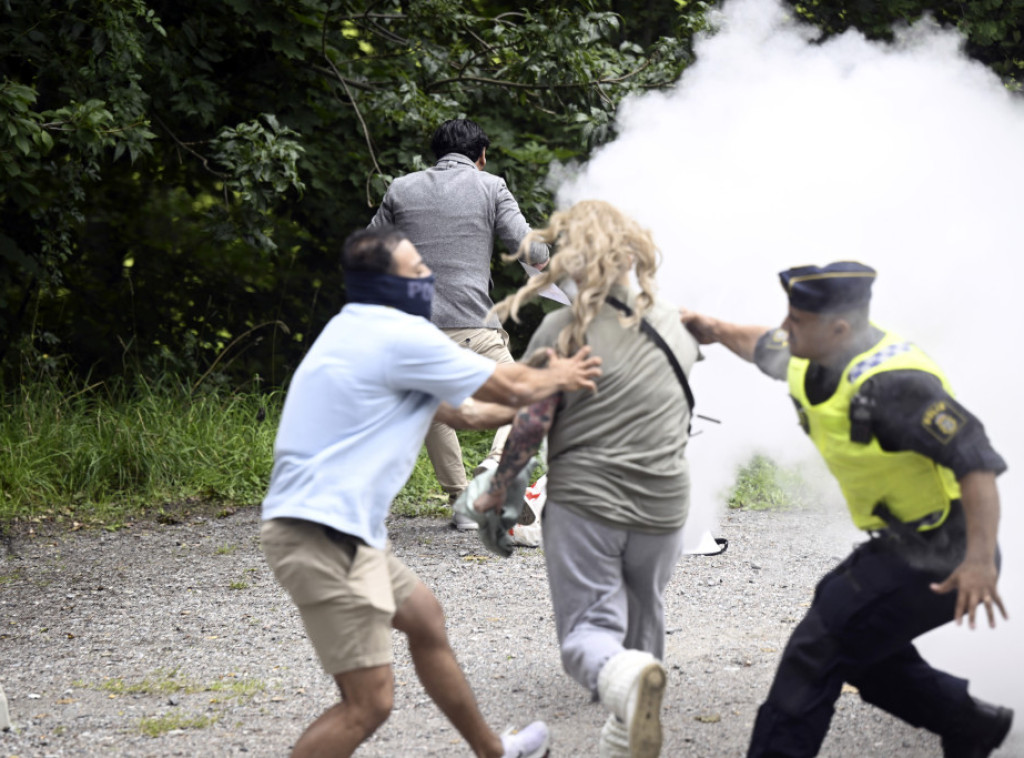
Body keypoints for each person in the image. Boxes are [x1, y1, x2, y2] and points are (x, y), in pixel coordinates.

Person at [260, 225, 602, 758]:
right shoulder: (396, 335)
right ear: (385, 285)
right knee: (367, 705)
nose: (428, 276)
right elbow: (507, 385)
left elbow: (469, 413)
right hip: (322, 535)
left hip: (337, 531)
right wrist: (565, 374)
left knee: (425, 618)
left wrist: (541, 403)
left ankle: (494, 750)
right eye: (416, 270)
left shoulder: (357, 333)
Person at [680, 261, 1013, 758]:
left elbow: (977, 461)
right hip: (904, 545)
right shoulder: (808, 352)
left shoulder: (894, 383)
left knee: (817, 648)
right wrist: (713, 328)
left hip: (949, 552)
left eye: (796, 321)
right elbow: (760, 344)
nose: (785, 329)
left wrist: (981, 563)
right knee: (859, 648)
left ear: (839, 328)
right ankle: (970, 724)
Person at [472, 200, 701, 758]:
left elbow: (529, 424)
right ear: (633, 255)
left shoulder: (562, 328)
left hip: (587, 504)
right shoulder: (673, 324)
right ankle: (633, 712)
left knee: (586, 635)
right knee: (644, 602)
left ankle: (621, 682)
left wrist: (499, 495)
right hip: (666, 504)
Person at [368, 118, 550, 529]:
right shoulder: (490, 187)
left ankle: (461, 501)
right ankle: (494, 466)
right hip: (474, 327)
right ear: (480, 156)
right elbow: (531, 250)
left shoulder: (401, 189)